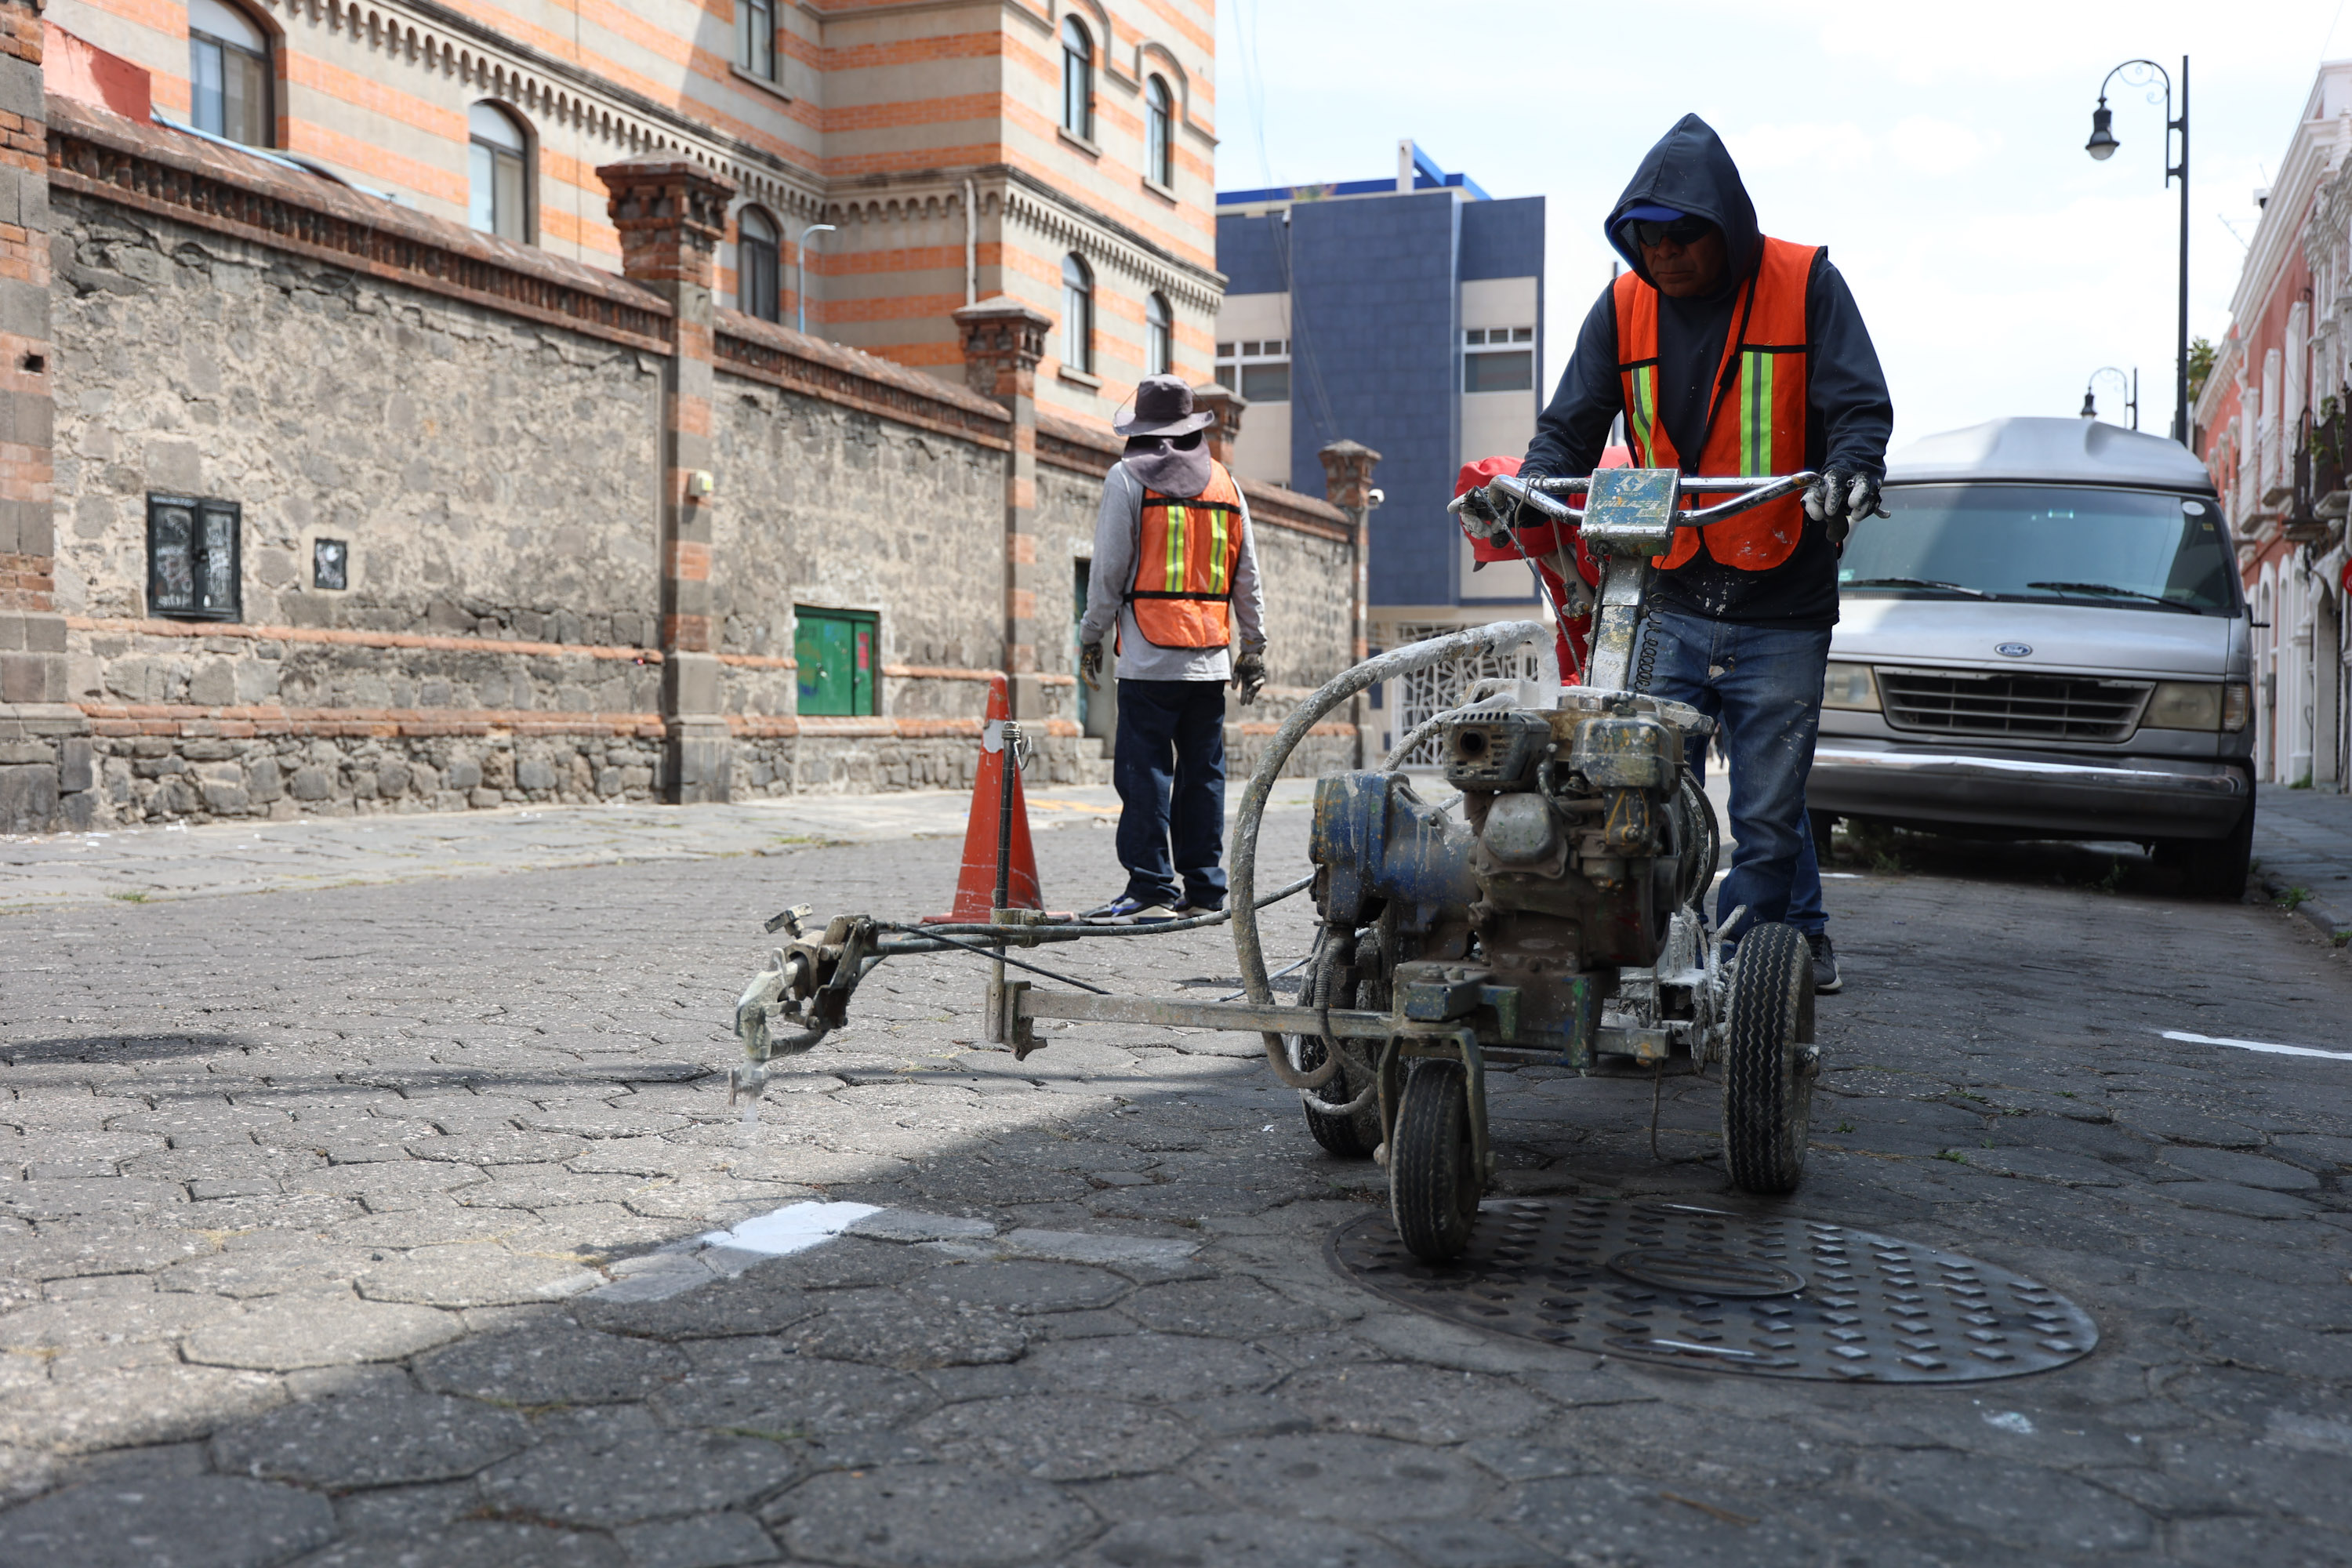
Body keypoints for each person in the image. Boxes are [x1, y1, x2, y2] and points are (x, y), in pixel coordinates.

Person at [1515, 114, 1893, 994]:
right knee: (1643, 787)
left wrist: (1851, 468)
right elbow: (1569, 425)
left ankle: (1750, 973)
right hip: (1670, 586)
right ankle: (1659, 944)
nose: (1665, 252)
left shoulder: (1805, 284)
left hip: (1781, 594)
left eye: (1683, 234)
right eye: (1645, 237)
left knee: (1766, 810)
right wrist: (1532, 484)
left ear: (1725, 224)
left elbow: (1859, 407)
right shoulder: (1622, 305)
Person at [1077, 376, 1268, 921]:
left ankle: (1151, 888)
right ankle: (1205, 890)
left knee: (1144, 773)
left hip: (1147, 656)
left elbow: (1108, 573)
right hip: (1209, 658)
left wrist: (1091, 635)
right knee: (1203, 777)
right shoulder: (1226, 483)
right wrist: (1252, 647)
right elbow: (1247, 576)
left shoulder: (1126, 479)